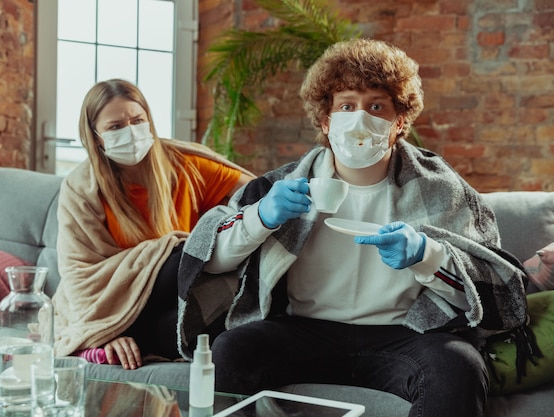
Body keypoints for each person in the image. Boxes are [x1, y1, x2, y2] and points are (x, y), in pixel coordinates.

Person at [177, 39, 537, 417]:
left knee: (458, 364)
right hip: (303, 331)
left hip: (403, 335)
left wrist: (426, 256)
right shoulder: (279, 187)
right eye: (347, 105)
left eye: (376, 106)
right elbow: (208, 261)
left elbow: (498, 289)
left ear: (399, 122)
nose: (360, 118)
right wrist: (261, 216)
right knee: (232, 349)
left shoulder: (441, 190)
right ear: (326, 120)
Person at [50, 79, 253, 370]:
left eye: (137, 120)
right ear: (95, 137)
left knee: (208, 331)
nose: (130, 132)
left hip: (177, 300)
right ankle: (106, 340)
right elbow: (79, 277)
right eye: (115, 127)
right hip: (110, 303)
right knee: (182, 254)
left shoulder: (184, 165)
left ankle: (130, 341)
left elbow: (256, 194)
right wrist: (106, 331)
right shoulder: (80, 189)